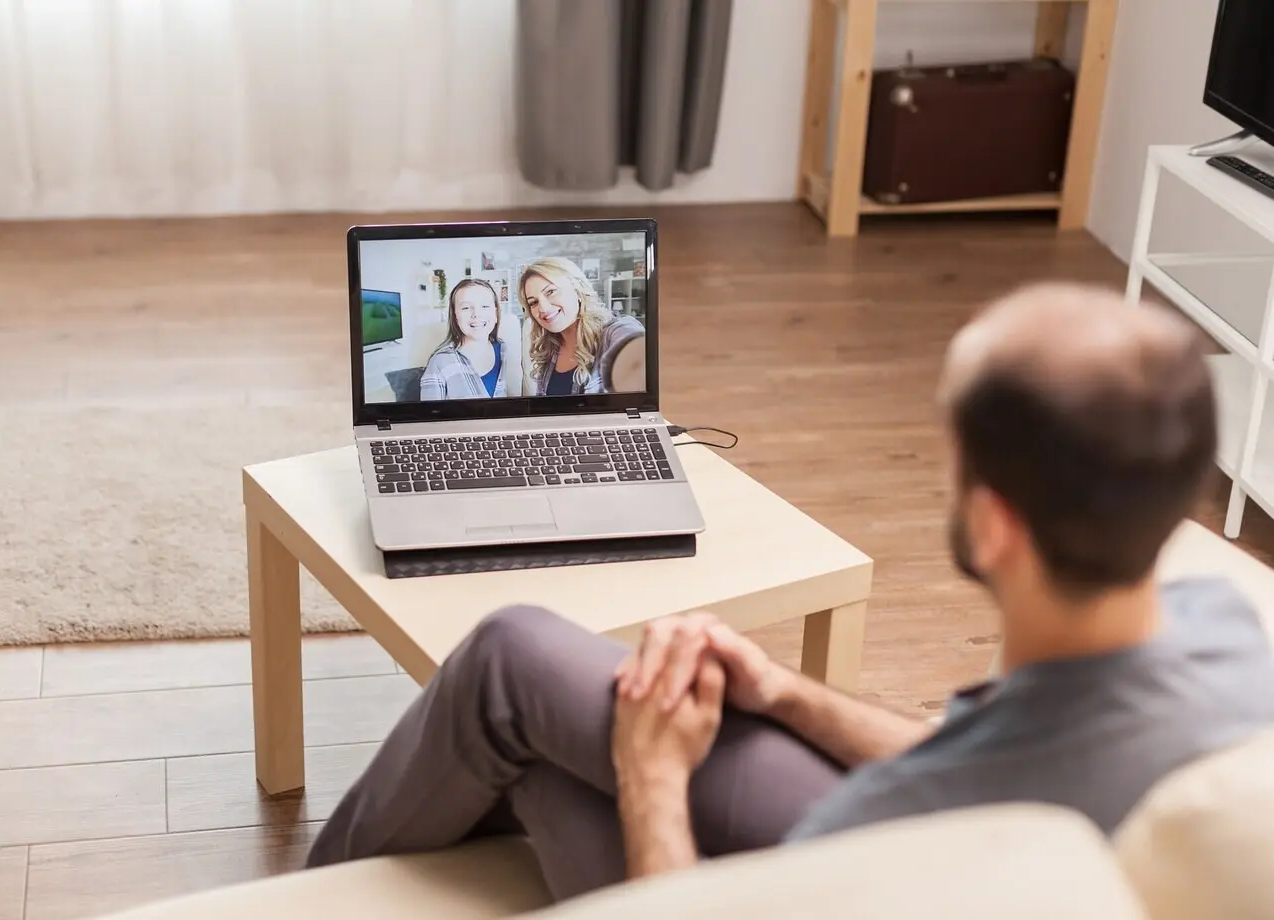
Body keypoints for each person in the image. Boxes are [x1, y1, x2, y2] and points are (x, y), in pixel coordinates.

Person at [308, 282, 1274, 901]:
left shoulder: (880, 832)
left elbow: (958, 775)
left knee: (511, 672)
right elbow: (993, 745)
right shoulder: (1222, 629)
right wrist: (784, 689)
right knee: (538, 733)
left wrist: (653, 777)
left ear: (992, 527)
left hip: (871, 870)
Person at [519, 256, 645, 395]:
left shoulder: (613, 331)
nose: (543, 308)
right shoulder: (549, 349)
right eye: (533, 302)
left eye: (550, 292)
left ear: (577, 289)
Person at [420, 278, 521, 400]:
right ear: (455, 317)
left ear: (495, 314)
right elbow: (430, 416)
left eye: (484, 306)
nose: (476, 314)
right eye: (466, 308)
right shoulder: (439, 362)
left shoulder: (504, 350)